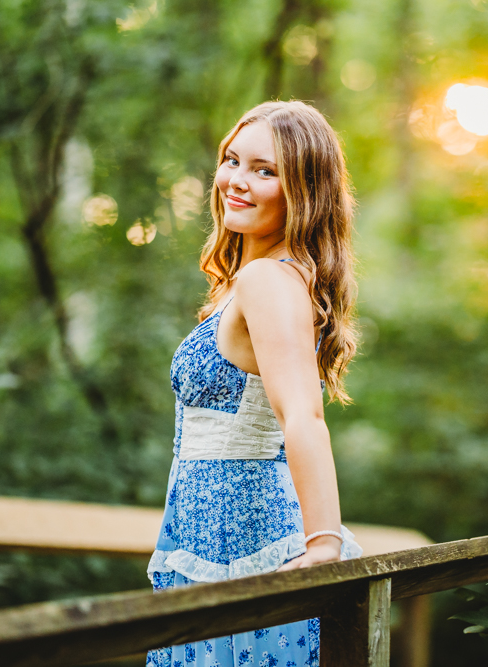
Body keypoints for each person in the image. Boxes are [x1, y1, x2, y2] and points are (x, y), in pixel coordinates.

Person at [146, 100, 363, 667]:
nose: (236, 182)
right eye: (232, 161)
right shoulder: (262, 277)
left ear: (304, 192)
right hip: (205, 535)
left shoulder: (268, 278)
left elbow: (302, 415)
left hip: (244, 542)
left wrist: (324, 544)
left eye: (265, 171)